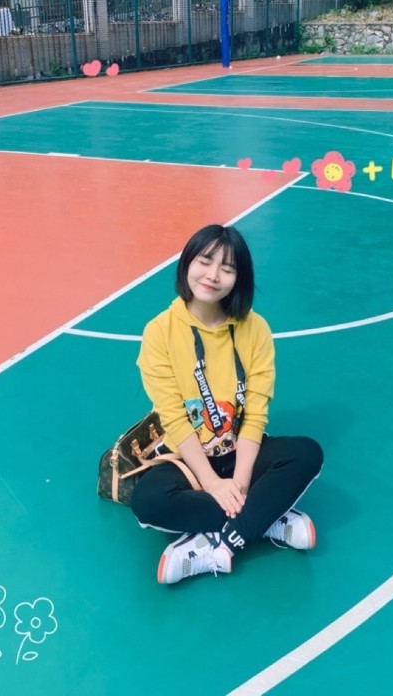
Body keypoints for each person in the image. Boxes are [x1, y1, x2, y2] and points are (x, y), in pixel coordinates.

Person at [131, 224, 323, 584]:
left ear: (239, 278)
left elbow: (255, 414)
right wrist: (213, 484)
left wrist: (240, 483)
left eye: (227, 268)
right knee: (147, 502)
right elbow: (175, 420)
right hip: (189, 459)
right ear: (187, 263)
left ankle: (219, 544)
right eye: (205, 261)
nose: (213, 275)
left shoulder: (255, 329)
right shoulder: (159, 332)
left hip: (241, 454)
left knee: (306, 453)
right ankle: (268, 517)